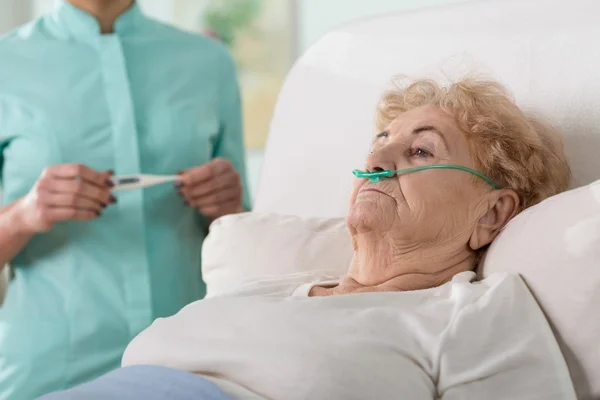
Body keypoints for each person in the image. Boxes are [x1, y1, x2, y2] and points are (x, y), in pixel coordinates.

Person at [41, 77, 576, 400]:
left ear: (492, 213)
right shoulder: (260, 289)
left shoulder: (473, 316)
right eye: (379, 143)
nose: (374, 161)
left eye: (420, 151)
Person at [0, 0, 250, 398]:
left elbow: (245, 244)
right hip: (49, 372)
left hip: (188, 364)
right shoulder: (5, 65)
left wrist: (229, 209)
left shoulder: (208, 63)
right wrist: (23, 215)